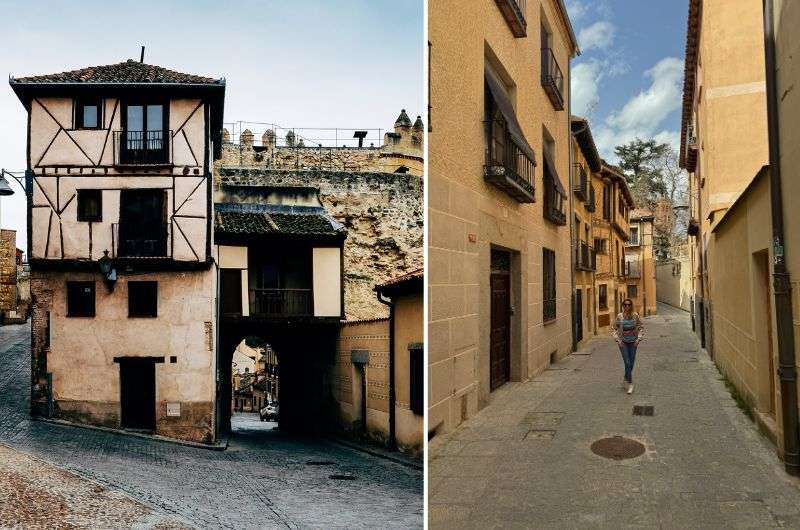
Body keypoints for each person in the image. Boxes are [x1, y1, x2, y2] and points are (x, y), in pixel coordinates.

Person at [612, 299, 644, 394]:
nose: (627, 307)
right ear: (623, 306)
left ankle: (626, 377)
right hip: (623, 343)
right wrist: (618, 340)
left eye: (629, 305)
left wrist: (638, 339)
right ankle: (630, 384)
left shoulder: (635, 315)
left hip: (633, 343)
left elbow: (641, 327)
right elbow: (614, 328)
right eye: (625, 305)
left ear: (631, 306)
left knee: (631, 362)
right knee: (627, 362)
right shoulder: (620, 316)